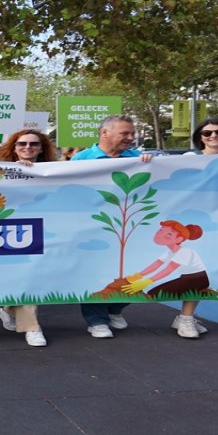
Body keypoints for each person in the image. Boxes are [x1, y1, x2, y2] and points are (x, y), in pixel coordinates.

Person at [163, 117, 218, 338]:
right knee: (195, 270)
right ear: (200, 137)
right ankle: (185, 318)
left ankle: (185, 317)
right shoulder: (190, 159)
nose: (213, 136)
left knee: (207, 268)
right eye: (207, 133)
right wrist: (146, 160)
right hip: (190, 219)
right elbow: (162, 172)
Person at [71, 114, 153, 338]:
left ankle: (115, 308)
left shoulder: (138, 157)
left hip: (131, 227)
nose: (130, 138)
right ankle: (96, 320)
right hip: (94, 226)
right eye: (125, 133)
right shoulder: (81, 159)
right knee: (96, 273)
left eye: (132, 134)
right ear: (105, 133)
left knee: (136, 270)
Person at [0, 129, 60, 347]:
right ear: (14, 147)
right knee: (25, 276)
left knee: (34, 276)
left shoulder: (56, 170)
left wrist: (142, 163)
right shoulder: (1, 170)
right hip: (11, 233)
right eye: (22, 144)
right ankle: (32, 328)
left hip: (45, 231)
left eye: (34, 144)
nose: (28, 148)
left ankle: (9, 309)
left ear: (42, 148)